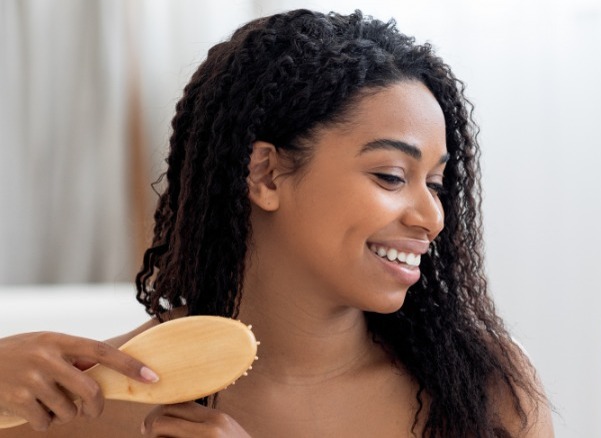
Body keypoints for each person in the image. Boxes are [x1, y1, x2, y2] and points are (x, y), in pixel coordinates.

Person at [0, 9, 553, 437]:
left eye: (435, 183)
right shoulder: (87, 404)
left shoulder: (487, 391)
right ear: (265, 174)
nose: (431, 216)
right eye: (391, 176)